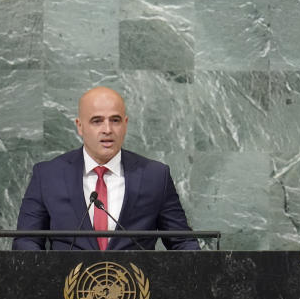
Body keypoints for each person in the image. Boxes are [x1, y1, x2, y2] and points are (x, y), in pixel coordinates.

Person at [13, 86, 199, 251]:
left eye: (115, 120)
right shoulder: (48, 175)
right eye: (97, 121)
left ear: (125, 124)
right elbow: (26, 241)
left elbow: (182, 242)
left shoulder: (156, 176)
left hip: (135, 287)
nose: (107, 129)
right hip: (66, 286)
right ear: (80, 126)